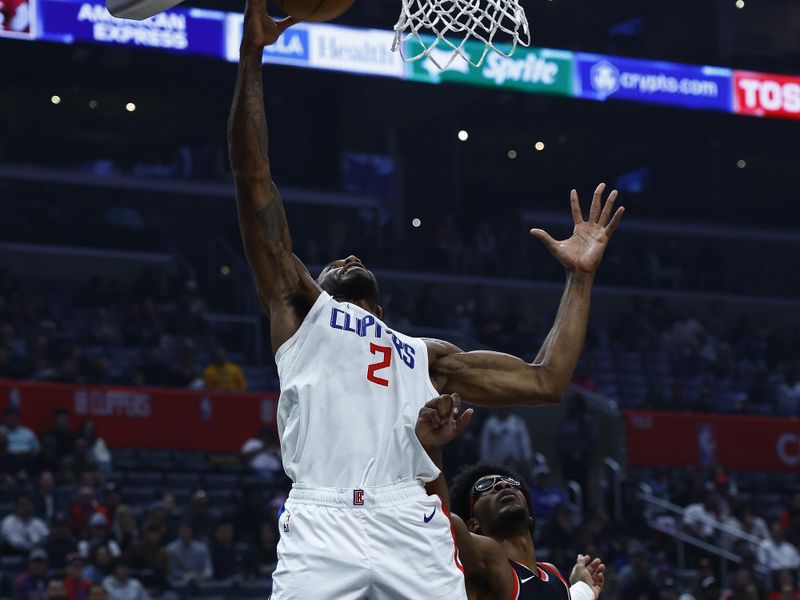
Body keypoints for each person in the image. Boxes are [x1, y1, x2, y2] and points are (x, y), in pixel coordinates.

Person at [227, 1, 623, 595]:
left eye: (357, 263)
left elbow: (546, 382)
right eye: (337, 263)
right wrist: (252, 57)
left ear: (382, 309)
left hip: (409, 519)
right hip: (321, 517)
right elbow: (253, 176)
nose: (351, 260)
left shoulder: (426, 356)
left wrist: (580, 278)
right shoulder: (299, 308)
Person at [414, 394, 606, 600]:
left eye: (511, 483)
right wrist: (432, 450)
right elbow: (438, 520)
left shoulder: (553, 575)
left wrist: (584, 586)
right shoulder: (487, 560)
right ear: (473, 523)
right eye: (485, 487)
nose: (503, 484)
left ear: (531, 516)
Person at [479, 407, 534, 471]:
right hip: (496, 463)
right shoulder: (490, 423)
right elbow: (485, 444)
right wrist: (485, 461)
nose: (503, 410)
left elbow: (525, 442)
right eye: (501, 407)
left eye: (505, 408)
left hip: (515, 463)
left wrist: (527, 457)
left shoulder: (517, 422)